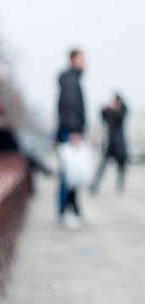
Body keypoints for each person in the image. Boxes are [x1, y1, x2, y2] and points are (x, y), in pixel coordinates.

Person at [56, 48, 87, 228]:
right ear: (74, 59)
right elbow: (69, 107)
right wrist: (75, 130)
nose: (85, 63)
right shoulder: (70, 81)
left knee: (72, 171)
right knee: (70, 172)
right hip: (71, 131)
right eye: (82, 59)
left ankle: (72, 208)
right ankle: (66, 210)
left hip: (70, 130)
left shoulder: (72, 79)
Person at [90, 93, 128, 194]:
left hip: (119, 144)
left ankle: (120, 187)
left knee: (121, 168)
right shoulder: (110, 112)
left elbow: (122, 114)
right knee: (102, 166)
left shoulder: (122, 110)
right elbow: (102, 116)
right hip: (109, 144)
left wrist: (116, 108)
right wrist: (106, 108)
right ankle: (94, 186)